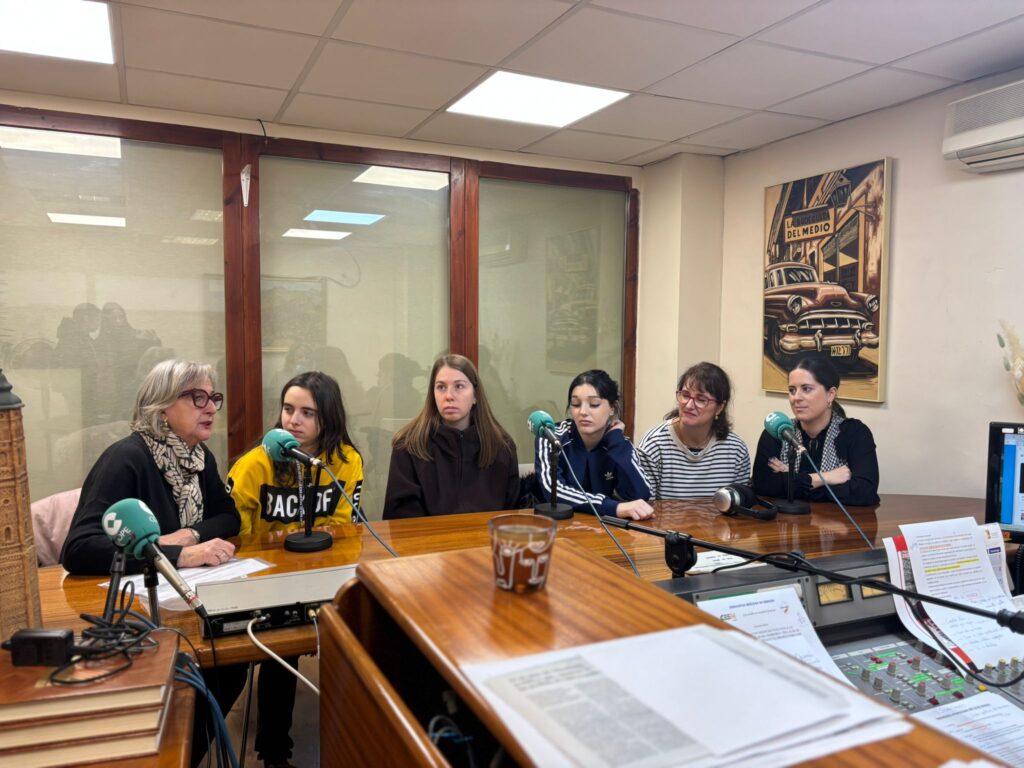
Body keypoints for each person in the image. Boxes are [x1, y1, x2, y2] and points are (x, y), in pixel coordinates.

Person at [59, 359, 242, 767]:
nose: (211, 408)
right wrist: (174, 553)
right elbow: (79, 549)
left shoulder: (198, 458)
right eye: (196, 398)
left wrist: (189, 534)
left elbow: (229, 517)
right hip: (131, 615)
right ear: (161, 408)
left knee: (232, 662)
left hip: (182, 607)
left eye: (213, 397)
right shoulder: (126, 459)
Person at [227, 371, 362, 768]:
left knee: (357, 631)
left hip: (323, 571)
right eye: (288, 409)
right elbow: (238, 537)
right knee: (280, 642)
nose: (293, 420)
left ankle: (360, 736)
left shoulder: (346, 461)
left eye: (307, 412)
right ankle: (274, 753)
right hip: (265, 577)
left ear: (328, 418)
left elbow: (344, 529)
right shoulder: (254, 464)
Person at [383, 354, 519, 518]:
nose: (448, 396)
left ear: (475, 395)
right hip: (428, 535)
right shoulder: (408, 445)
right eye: (441, 387)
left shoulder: (502, 446)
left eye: (459, 386)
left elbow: (512, 516)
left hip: (486, 534)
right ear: (433, 394)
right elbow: (400, 519)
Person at [752, 356, 880, 505]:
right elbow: (763, 485)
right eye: (792, 390)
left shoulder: (855, 432)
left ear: (830, 394)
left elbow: (865, 491)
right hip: (784, 518)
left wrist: (792, 479)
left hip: (835, 519)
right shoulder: (778, 431)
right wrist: (824, 478)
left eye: (806, 389)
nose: (796, 398)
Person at [535, 369, 654, 520]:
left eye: (594, 404)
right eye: (576, 404)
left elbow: (642, 494)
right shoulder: (552, 436)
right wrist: (613, 507)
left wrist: (616, 441)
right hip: (556, 523)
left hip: (601, 525)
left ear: (612, 408)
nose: (583, 412)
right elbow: (553, 492)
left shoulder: (619, 443)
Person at [637, 362, 751, 498]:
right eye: (685, 395)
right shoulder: (654, 445)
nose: (689, 405)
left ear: (720, 407)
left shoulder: (736, 450)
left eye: (701, 399)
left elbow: (740, 506)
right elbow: (643, 506)